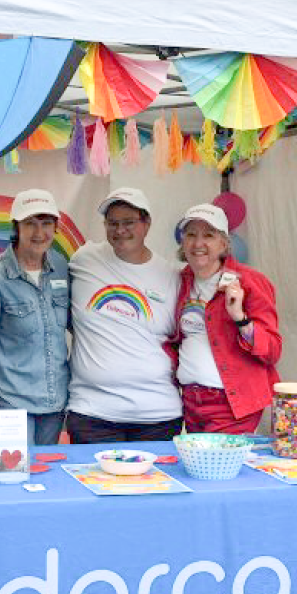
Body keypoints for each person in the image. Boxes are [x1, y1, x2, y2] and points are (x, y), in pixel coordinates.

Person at [67, 187, 182, 443]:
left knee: (155, 485)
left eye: (129, 222)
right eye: (112, 223)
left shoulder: (171, 276)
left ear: (147, 223)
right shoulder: (83, 260)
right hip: (92, 414)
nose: (120, 230)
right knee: (93, 483)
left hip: (158, 416)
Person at [168, 203, 282, 433]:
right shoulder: (180, 281)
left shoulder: (249, 282)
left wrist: (240, 318)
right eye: (191, 234)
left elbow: (272, 350)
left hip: (230, 404)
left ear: (223, 243)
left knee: (218, 467)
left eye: (208, 235)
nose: (198, 243)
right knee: (200, 467)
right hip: (190, 402)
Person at [0, 189, 69, 446]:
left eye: (46, 224)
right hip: (9, 404)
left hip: (55, 403)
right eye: (30, 224)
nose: (39, 233)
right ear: (16, 227)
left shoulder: (62, 268)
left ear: (56, 227)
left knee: (47, 478)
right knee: (12, 480)